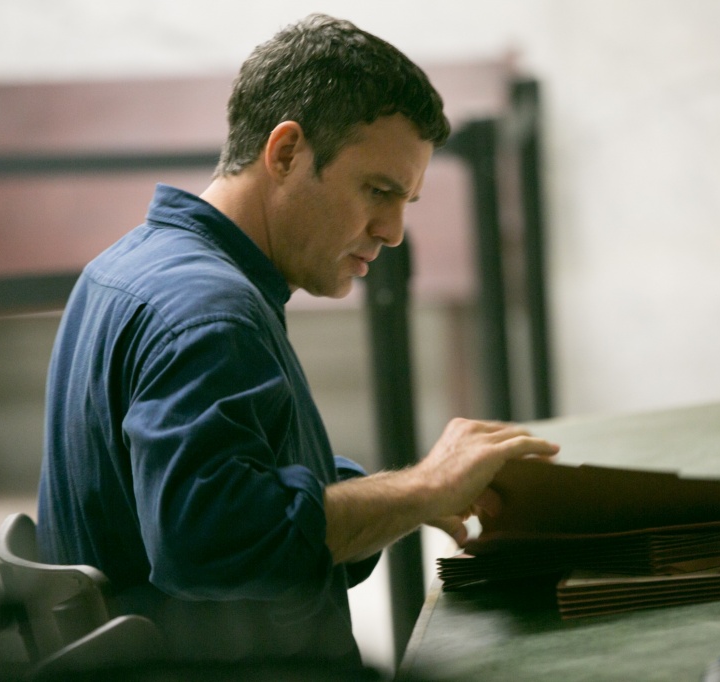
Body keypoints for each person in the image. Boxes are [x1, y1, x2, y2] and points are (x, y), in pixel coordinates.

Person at [36, 13, 559, 674]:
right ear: (285, 153)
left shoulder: (125, 269)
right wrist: (420, 488)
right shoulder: (208, 313)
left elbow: (245, 487)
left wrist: (417, 492)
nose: (393, 230)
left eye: (407, 201)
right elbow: (211, 544)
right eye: (378, 191)